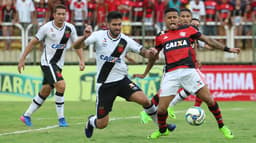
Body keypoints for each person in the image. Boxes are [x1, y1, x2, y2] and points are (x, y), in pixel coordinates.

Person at [139, 8, 240, 139]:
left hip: (189, 71)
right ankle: (163, 130)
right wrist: (146, 72)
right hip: (171, 74)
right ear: (165, 20)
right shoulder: (160, 36)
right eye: (169, 18)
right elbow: (153, 56)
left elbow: (208, 40)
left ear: (178, 19)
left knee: (209, 100)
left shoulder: (188, 30)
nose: (172, 20)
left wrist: (228, 49)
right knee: (161, 110)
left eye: (175, 17)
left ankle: (222, 127)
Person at [73, 11, 176, 138]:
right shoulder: (98, 36)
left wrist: (152, 52)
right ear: (107, 24)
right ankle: (91, 121)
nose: (117, 27)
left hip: (122, 81)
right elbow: (76, 46)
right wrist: (84, 37)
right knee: (102, 124)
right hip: (105, 85)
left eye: (119, 24)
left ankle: (162, 126)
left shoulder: (125, 40)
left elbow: (143, 52)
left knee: (145, 100)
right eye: (114, 24)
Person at [18, 4, 85, 127]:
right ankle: (61, 119)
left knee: (46, 90)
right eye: (58, 14)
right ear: (54, 15)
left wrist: (81, 60)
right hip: (48, 62)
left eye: (63, 14)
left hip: (58, 64)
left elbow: (77, 45)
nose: (61, 16)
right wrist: (22, 59)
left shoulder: (70, 28)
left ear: (66, 15)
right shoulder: (46, 28)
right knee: (61, 85)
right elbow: (33, 42)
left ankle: (26, 115)